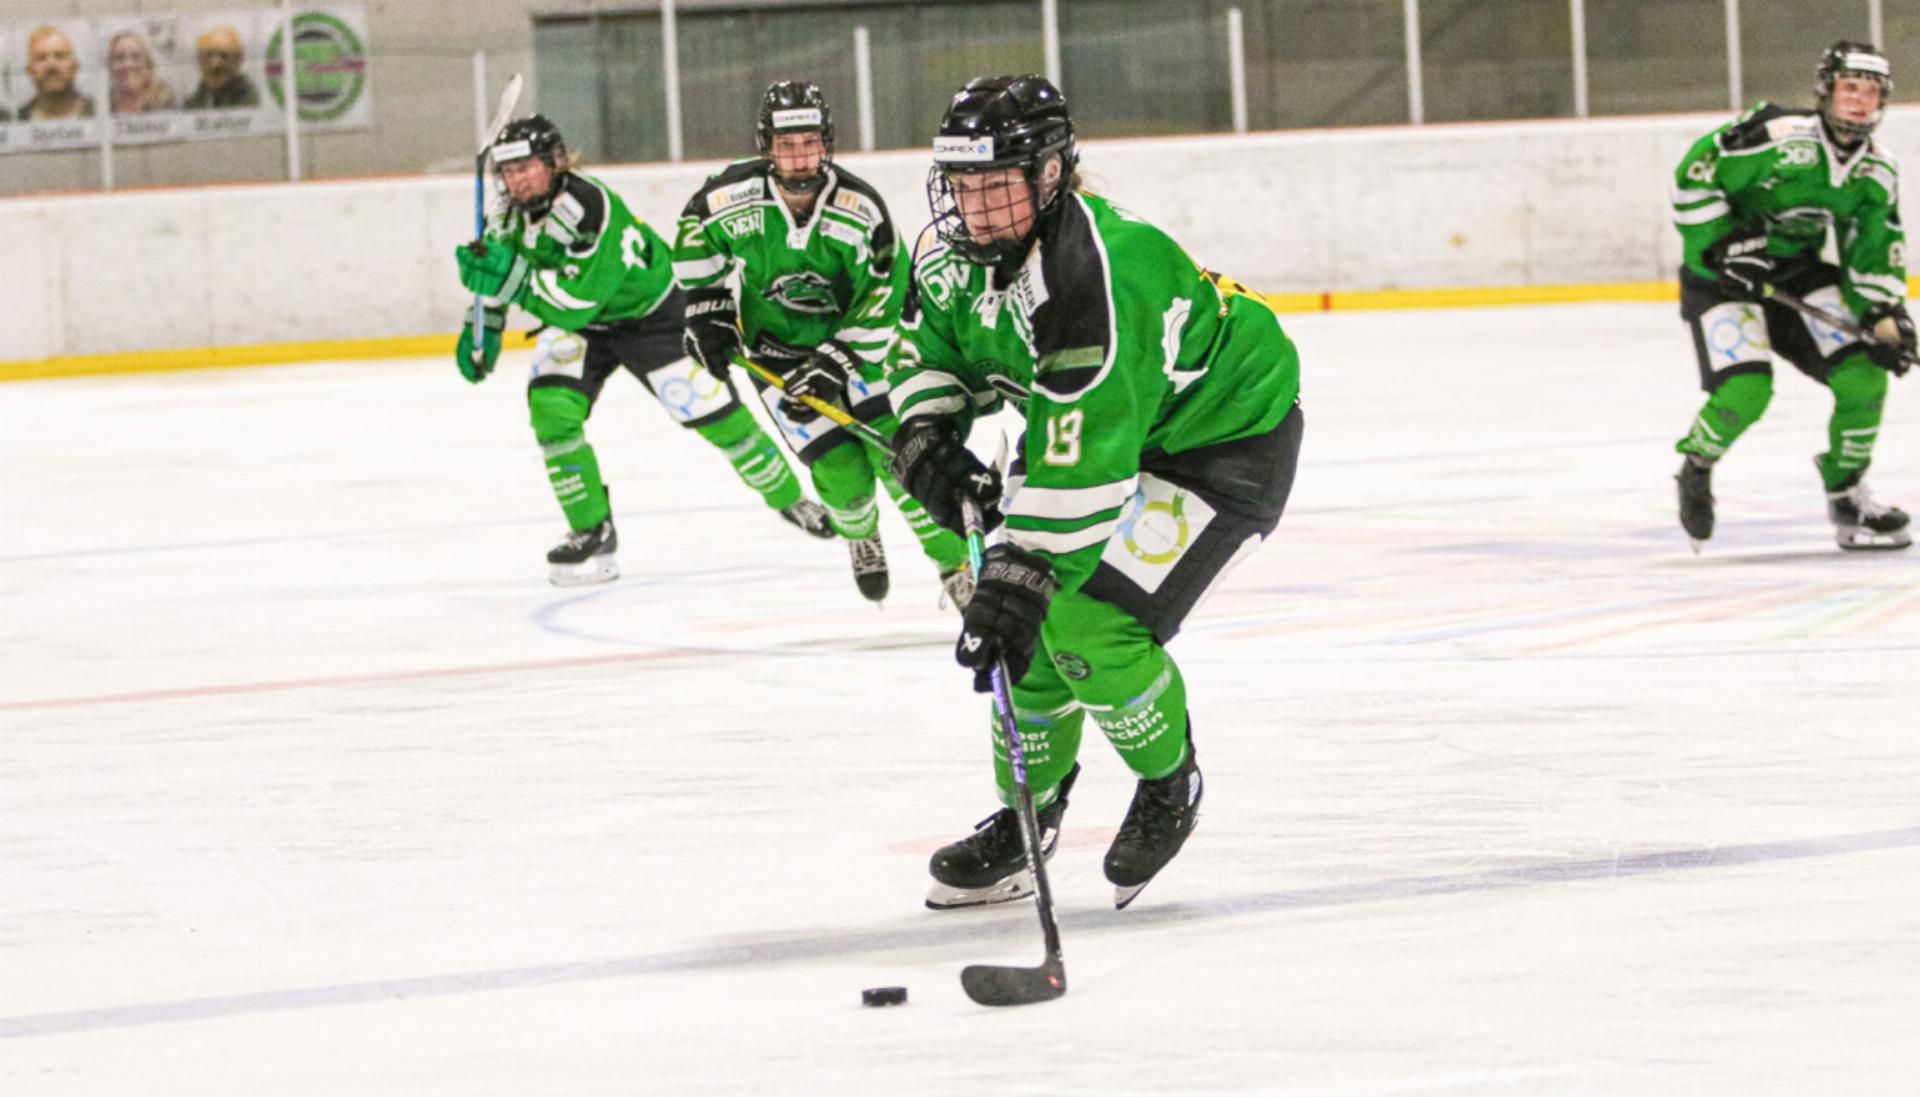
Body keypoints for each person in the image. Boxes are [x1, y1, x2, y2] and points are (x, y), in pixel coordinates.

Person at [890, 75, 1304, 910]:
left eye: (997, 185)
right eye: (962, 186)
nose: (976, 209)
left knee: (1081, 617)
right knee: (1030, 638)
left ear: (1050, 176)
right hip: (1100, 433)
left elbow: (1089, 469)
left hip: (1220, 443)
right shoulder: (949, 254)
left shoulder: (1096, 275)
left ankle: (1168, 781)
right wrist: (925, 433)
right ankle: (1027, 813)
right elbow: (927, 350)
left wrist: (1023, 573)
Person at [455, 115, 832, 585]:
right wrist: (483, 326)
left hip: (654, 316)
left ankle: (790, 497)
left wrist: (508, 278)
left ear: (554, 162)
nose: (517, 180)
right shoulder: (505, 213)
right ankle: (591, 527)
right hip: (587, 326)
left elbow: (573, 300)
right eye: (508, 172)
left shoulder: (589, 206)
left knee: (716, 416)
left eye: (526, 167)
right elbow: (493, 271)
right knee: (551, 409)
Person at [672, 81, 974, 606]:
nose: (798, 156)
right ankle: (861, 536)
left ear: (826, 143)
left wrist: (838, 358)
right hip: (777, 356)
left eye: (808, 142)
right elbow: (695, 230)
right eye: (786, 144)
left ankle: (954, 565)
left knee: (903, 463)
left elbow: (887, 291)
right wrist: (707, 306)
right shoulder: (729, 195)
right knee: (840, 474)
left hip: (863, 354)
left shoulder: (861, 208)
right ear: (767, 145)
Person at [1671, 41, 1911, 551]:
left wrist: (1884, 313)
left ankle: (1846, 494)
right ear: (1825, 91)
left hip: (1793, 272)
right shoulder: (1774, 138)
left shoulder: (1877, 172)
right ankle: (1696, 466)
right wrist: (1722, 245)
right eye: (1850, 87)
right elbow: (1693, 178)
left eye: (1871, 91)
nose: (1860, 100)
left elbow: (1870, 250)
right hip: (1722, 275)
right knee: (1747, 391)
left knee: (1864, 375)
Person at [19, 26, 96, 120]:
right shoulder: (16, 119)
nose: (51, 66)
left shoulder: (99, 110)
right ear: (29, 70)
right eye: (41, 57)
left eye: (60, 56)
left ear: (75, 66)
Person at [184, 26, 259, 110]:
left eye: (224, 56)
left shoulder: (249, 99)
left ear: (238, 60)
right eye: (208, 55)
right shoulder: (192, 103)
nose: (215, 64)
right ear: (199, 60)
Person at [109, 30, 177, 114]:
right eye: (119, 57)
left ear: (148, 67)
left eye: (135, 57)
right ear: (110, 68)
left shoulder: (167, 107)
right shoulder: (102, 106)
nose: (127, 64)